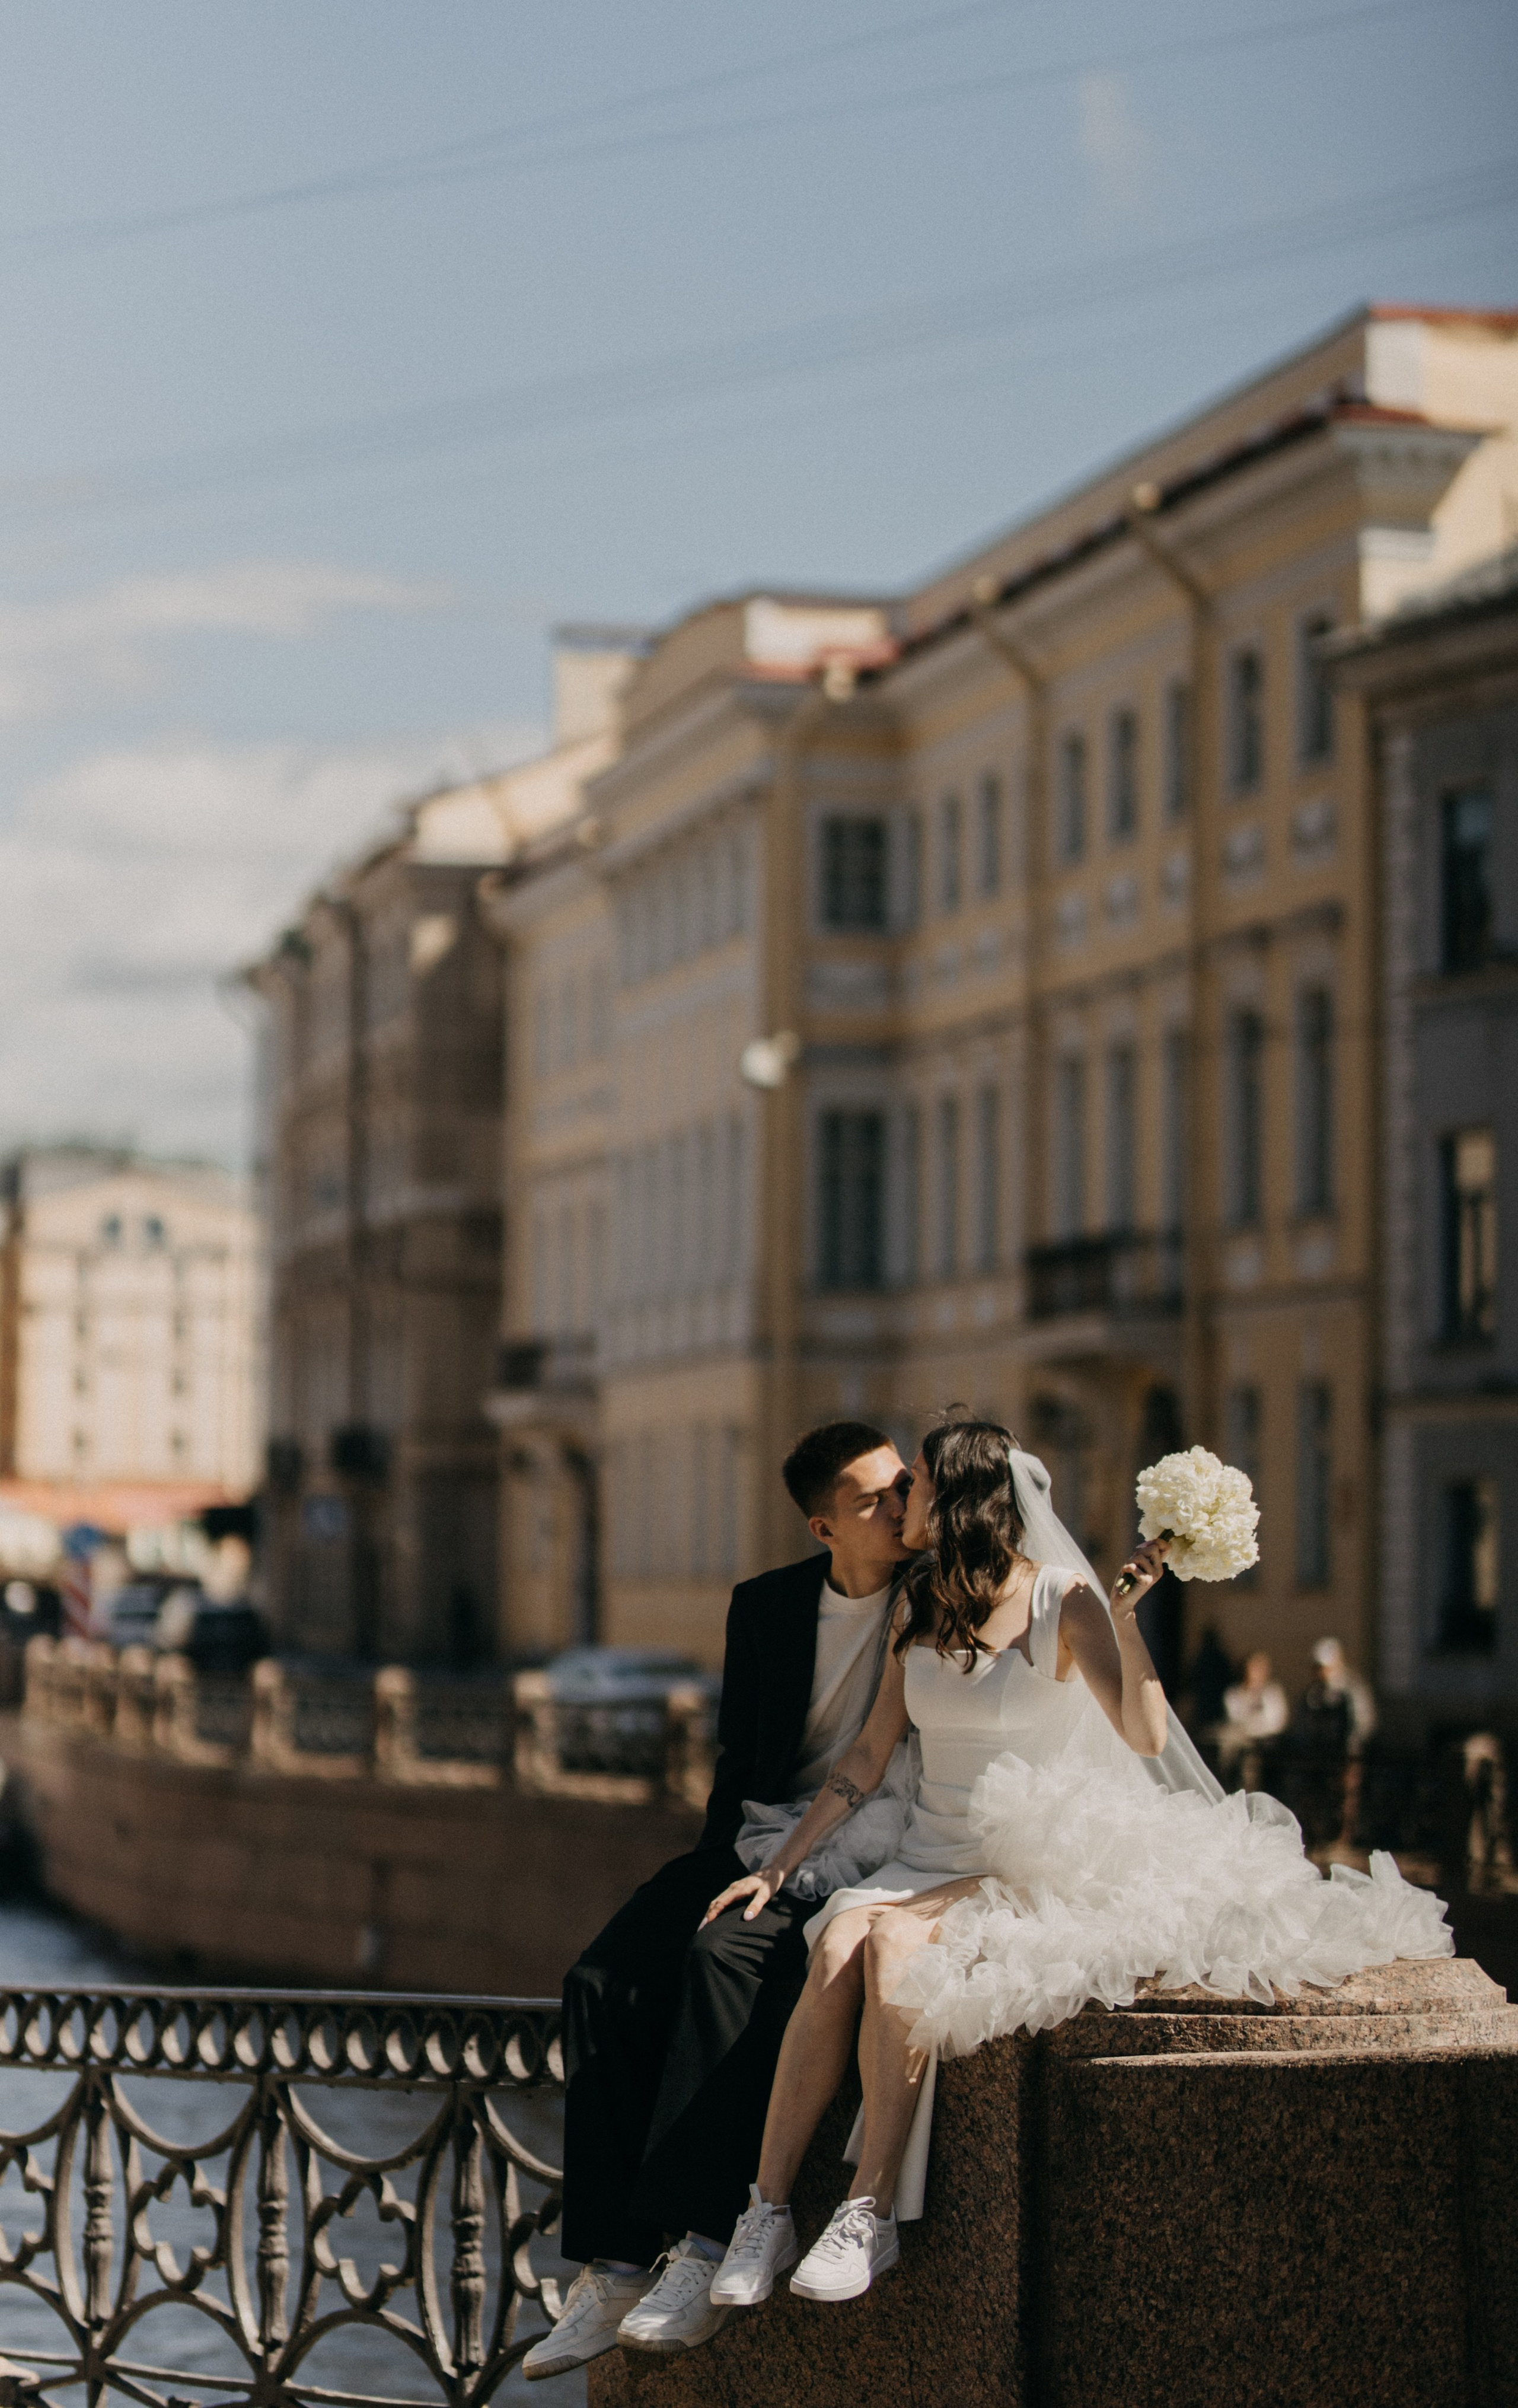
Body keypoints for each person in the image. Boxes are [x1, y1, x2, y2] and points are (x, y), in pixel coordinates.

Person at [694, 1421, 1452, 2320]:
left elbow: (1145, 1736)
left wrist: (1119, 1620)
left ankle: (867, 2209)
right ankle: (766, 2212)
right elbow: (865, 1755)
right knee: (835, 1947)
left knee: (892, 1946)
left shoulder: (1064, 1599)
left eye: (923, 1485)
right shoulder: (921, 1602)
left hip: (1013, 1857)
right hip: (920, 1854)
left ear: (964, 1499)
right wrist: (781, 1867)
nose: (908, 1500)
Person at [523, 1419, 911, 2381]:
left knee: (720, 1964)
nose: (903, 1507)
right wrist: (710, 1878)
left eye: (904, 1486)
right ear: (825, 1529)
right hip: (763, 1835)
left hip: (877, 1850)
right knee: (605, 1978)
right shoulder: (768, 1609)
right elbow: (741, 1768)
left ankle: (702, 2243)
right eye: (876, 1500)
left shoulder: (939, 1601)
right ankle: (613, 2268)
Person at [1216, 1647, 1289, 1780]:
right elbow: (1235, 1719)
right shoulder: (1234, 1693)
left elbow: (1275, 1722)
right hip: (1241, 1741)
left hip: (1267, 1743)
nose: (1253, 1674)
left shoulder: (1272, 1693)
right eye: (1251, 1669)